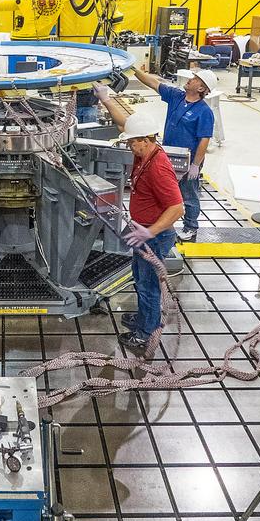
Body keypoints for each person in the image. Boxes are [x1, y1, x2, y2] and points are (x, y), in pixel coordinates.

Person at [90, 95, 185, 351]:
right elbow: (125, 124)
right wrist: (106, 99)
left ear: (146, 139)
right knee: (139, 277)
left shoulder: (158, 168)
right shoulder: (146, 152)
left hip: (153, 235)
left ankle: (145, 333)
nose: (129, 145)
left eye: (133, 142)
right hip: (144, 230)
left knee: (147, 285)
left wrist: (150, 231)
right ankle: (145, 318)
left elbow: (177, 208)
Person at [129, 66, 214, 242]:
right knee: (167, 191)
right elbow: (154, 83)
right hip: (168, 155)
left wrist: (196, 165)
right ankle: (165, 223)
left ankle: (190, 227)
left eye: (195, 79)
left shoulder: (204, 111)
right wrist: (133, 69)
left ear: (201, 89)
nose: (190, 79)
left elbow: (204, 139)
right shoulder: (177, 96)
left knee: (189, 193)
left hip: (189, 159)